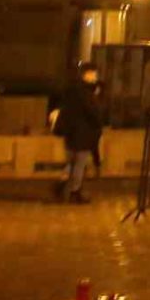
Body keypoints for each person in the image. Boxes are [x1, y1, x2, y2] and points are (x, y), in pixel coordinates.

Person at [51, 64, 105, 203]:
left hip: (70, 132)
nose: (95, 77)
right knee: (79, 163)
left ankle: (62, 183)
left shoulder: (71, 90)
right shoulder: (85, 93)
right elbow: (93, 112)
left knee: (71, 162)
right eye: (94, 74)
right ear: (86, 75)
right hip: (83, 132)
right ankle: (75, 191)